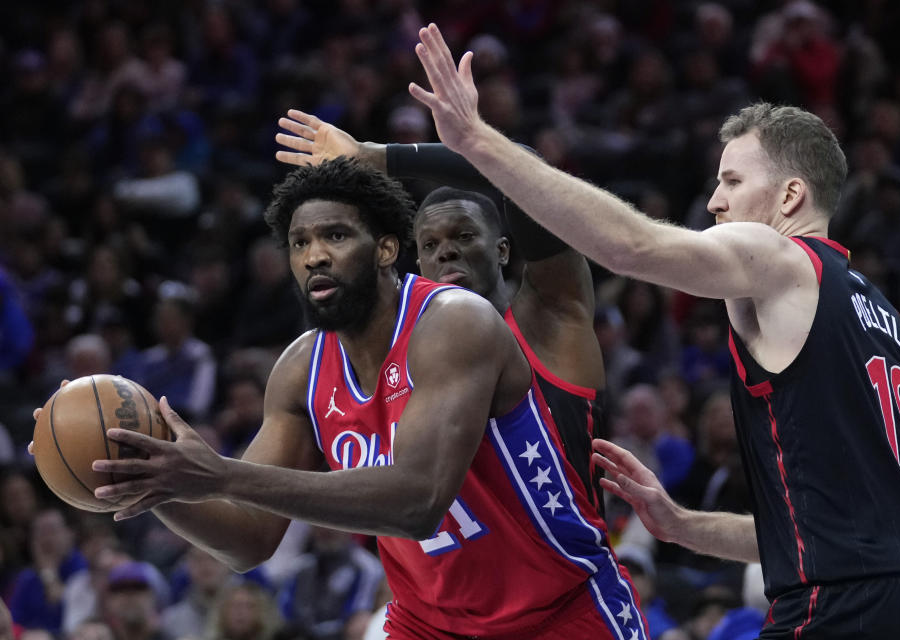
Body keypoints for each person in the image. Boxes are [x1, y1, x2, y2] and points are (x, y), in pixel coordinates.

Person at [407, 23, 900, 638]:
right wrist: (682, 525)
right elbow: (834, 533)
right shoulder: (877, 312)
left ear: (791, 196)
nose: (716, 203)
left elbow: (630, 246)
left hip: (842, 609)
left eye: (732, 182)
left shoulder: (780, 259)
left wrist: (477, 143)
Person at [54, 158, 643, 638]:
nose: (314, 256)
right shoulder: (300, 369)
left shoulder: (455, 322)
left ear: (386, 249)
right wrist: (155, 479)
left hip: (560, 612)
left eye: (335, 235)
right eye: (299, 242)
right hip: (428, 624)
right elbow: (249, 540)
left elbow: (418, 501)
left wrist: (222, 476)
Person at [274, 109, 607, 514]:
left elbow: (527, 170)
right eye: (429, 245)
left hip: (569, 567)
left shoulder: (551, 313)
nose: (445, 250)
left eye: (464, 236)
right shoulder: (409, 353)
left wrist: (379, 158)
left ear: (503, 250)